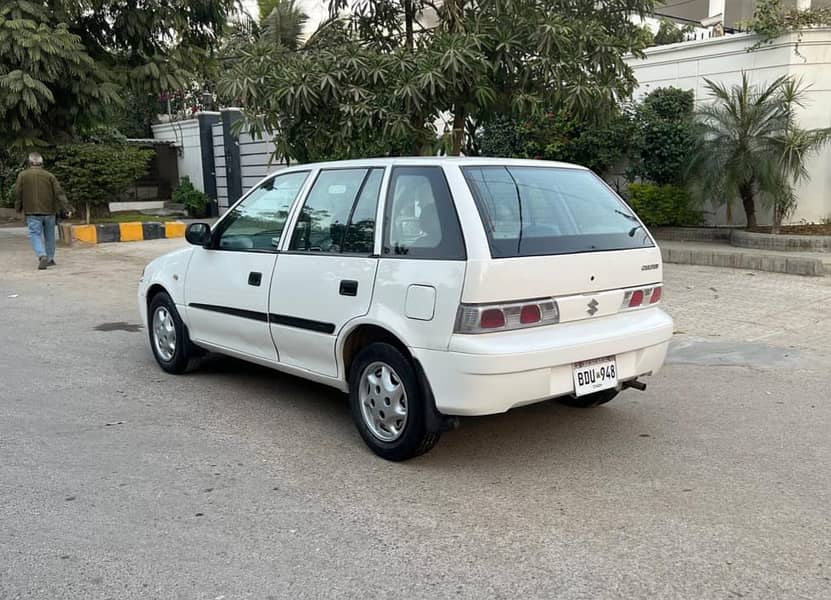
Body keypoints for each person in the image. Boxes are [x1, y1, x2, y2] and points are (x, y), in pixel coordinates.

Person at [14, 152, 70, 270]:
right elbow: (59, 193)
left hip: (32, 211)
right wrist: (66, 208)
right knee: (50, 236)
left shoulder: (22, 175)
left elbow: (18, 193)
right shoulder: (49, 176)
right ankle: (50, 259)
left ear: (29, 163)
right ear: (41, 163)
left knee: (35, 234)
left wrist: (18, 207)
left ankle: (41, 255)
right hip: (49, 211)